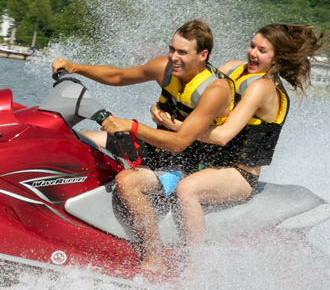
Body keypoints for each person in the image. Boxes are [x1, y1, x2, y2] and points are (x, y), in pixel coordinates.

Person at [52, 19, 235, 274]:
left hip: (190, 165)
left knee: (128, 181)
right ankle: (63, 217)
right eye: (172, 49)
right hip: (157, 148)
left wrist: (132, 127)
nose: (173, 57)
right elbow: (117, 75)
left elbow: (181, 142)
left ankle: (154, 259)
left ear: (203, 55)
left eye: (182, 52)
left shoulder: (215, 89)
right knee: (79, 140)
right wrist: (75, 67)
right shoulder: (164, 68)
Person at [155, 23, 328, 250]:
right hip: (205, 162)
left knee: (187, 189)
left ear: (277, 59)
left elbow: (222, 136)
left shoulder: (262, 87)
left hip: (239, 174)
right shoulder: (233, 68)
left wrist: (174, 124)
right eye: (252, 46)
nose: (252, 53)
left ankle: (193, 265)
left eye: (262, 51)